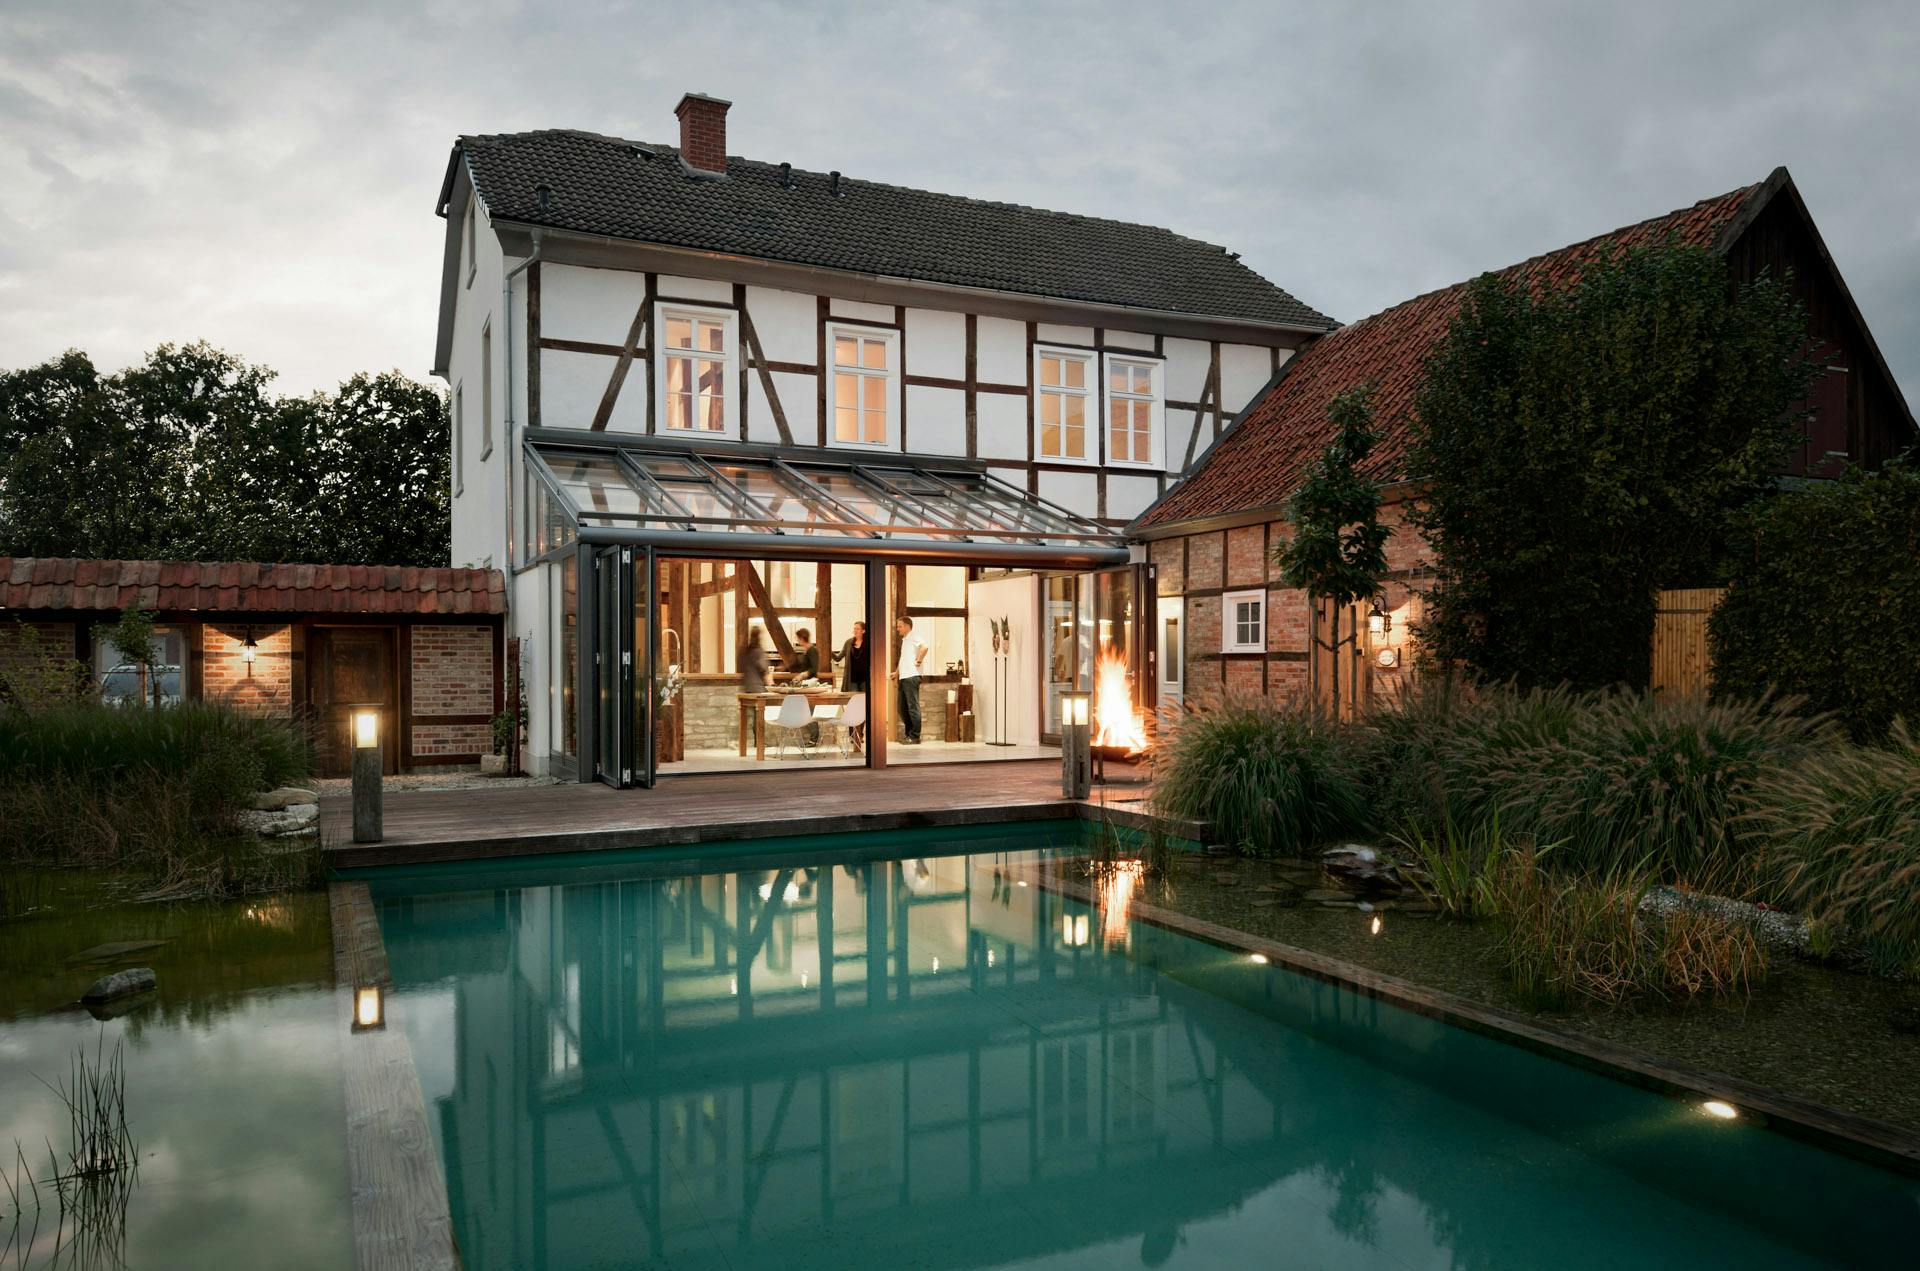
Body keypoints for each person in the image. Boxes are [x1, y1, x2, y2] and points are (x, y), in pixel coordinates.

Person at [835, 621, 870, 752]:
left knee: (864, 708)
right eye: (854, 628)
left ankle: (860, 733)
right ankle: (852, 735)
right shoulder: (849, 642)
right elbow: (838, 658)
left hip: (865, 681)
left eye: (857, 629)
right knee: (853, 707)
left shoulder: (869, 643)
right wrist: (828, 652)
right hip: (852, 680)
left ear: (863, 631)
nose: (854, 631)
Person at [894, 615, 927, 744]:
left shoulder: (914, 636)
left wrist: (919, 659)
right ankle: (909, 734)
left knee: (913, 707)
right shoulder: (905, 639)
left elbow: (925, 647)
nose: (898, 629)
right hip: (904, 676)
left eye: (900, 626)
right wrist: (896, 673)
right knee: (902, 707)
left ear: (907, 626)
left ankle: (915, 736)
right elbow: (903, 659)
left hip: (912, 676)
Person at [739, 627, 770, 694]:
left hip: (747, 688)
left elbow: (741, 667)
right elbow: (764, 670)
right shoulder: (759, 651)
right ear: (759, 637)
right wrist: (771, 685)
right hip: (758, 689)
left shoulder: (745, 651)